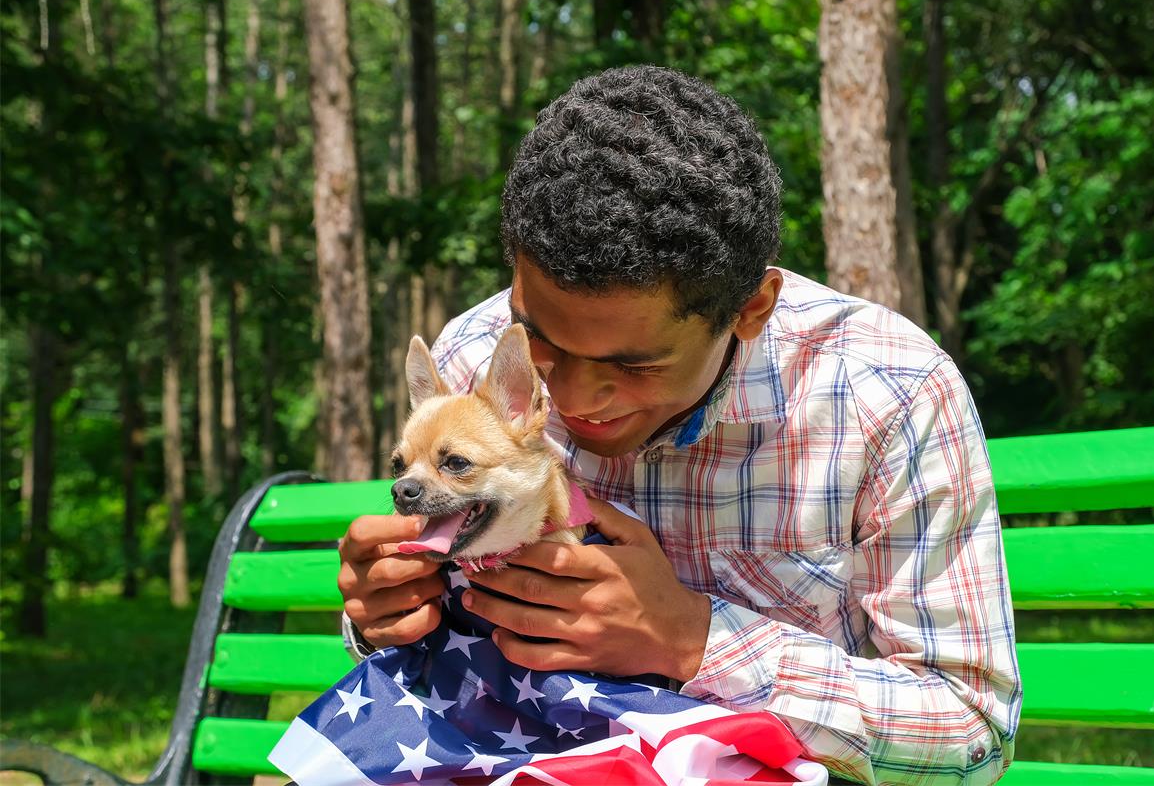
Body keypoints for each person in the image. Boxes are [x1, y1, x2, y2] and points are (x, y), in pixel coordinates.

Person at [337, 65, 1021, 785]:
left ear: (751, 310)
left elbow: (971, 729)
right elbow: (421, 640)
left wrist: (690, 639)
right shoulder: (476, 362)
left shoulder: (885, 392)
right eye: (540, 338)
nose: (570, 395)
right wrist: (381, 613)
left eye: (634, 366)